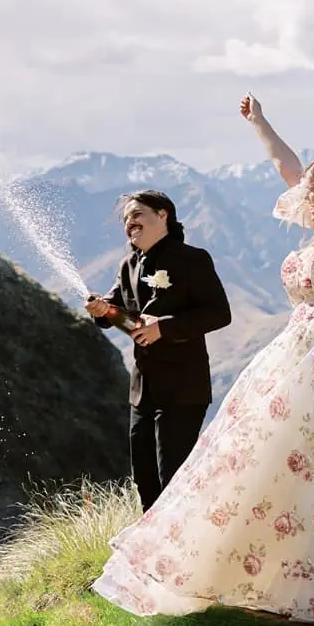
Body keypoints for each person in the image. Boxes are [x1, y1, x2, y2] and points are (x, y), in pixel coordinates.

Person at [92, 95, 314, 626]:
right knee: (263, 456)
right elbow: (286, 165)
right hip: (293, 354)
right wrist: (259, 122)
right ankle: (271, 570)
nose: (303, 197)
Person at [85, 190, 232, 511]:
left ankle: (188, 547)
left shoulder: (193, 259)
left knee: (174, 478)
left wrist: (163, 327)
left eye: (137, 214)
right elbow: (116, 312)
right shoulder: (127, 265)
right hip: (142, 392)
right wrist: (101, 310)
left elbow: (220, 314)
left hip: (183, 389)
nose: (130, 222)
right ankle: (152, 552)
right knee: (145, 479)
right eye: (126, 219)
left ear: (163, 214)